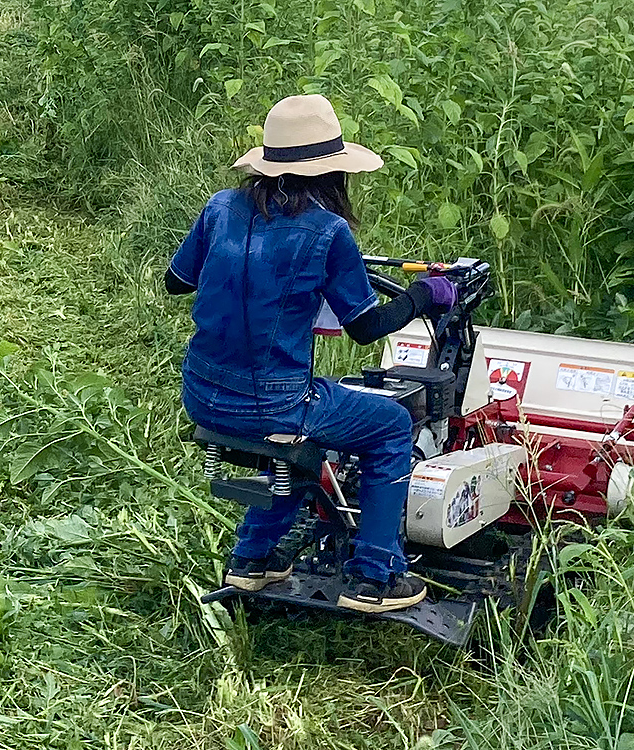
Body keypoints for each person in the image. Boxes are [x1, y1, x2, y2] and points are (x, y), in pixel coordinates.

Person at [165, 95, 456, 613]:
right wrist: (424, 295)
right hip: (273, 403)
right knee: (388, 424)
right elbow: (367, 328)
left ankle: (252, 560)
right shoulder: (328, 231)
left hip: (202, 394)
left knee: (303, 442)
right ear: (331, 172)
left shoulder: (219, 208)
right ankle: (373, 576)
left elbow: (175, 281)